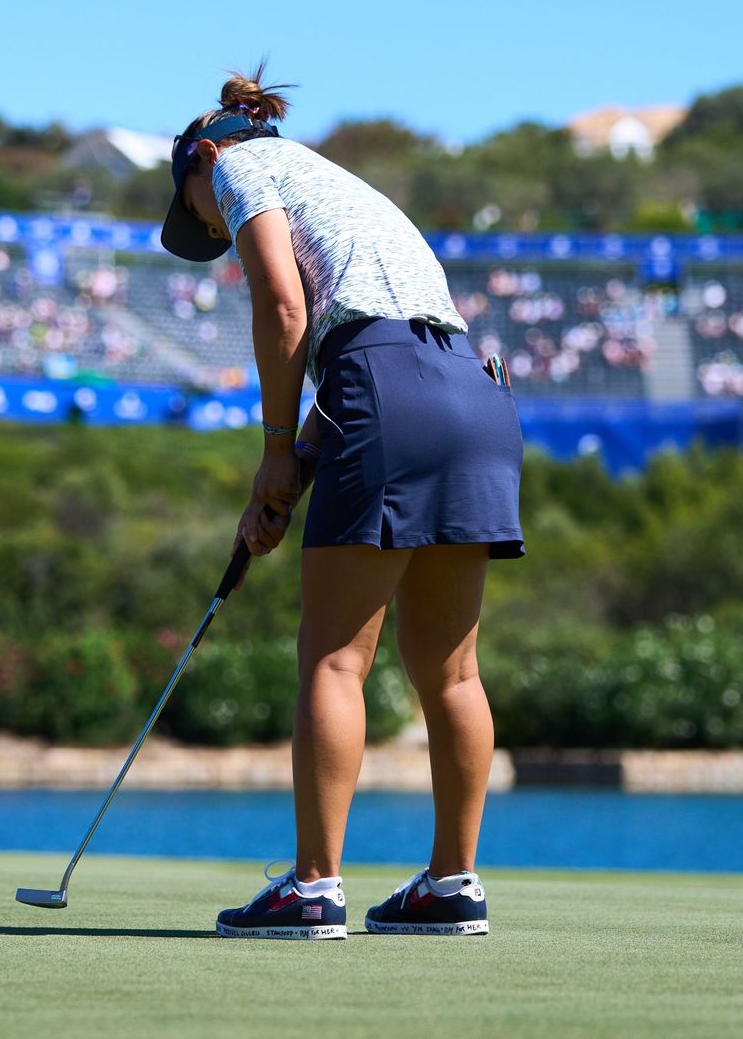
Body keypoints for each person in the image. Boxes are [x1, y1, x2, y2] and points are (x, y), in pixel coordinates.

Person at [161, 68, 525, 940]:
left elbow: (287, 313)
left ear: (203, 158)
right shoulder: (346, 187)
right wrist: (291, 483)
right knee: (453, 670)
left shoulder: (243, 167)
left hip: (385, 389)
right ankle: (451, 884)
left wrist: (275, 453)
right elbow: (374, 349)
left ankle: (315, 886)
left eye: (198, 212)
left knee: (333, 660)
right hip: (476, 396)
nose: (210, 225)